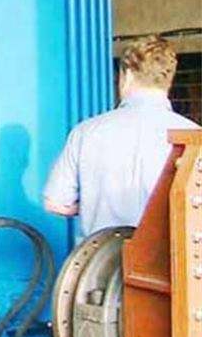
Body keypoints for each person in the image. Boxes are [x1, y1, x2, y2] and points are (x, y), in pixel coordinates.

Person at [43, 35, 198, 237]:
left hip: (102, 254)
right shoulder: (193, 136)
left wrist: (93, 205)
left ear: (128, 75)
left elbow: (55, 203)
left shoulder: (86, 132)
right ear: (169, 79)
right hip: (168, 254)